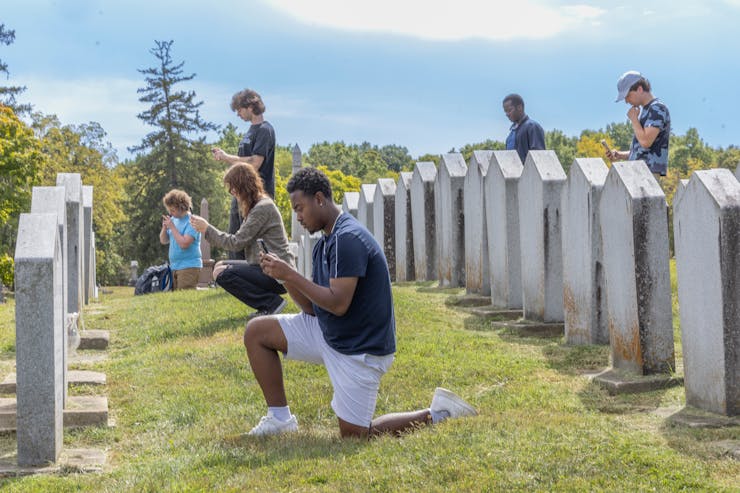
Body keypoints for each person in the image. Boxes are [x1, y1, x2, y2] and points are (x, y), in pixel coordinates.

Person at [243, 167, 477, 438]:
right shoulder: (325, 242)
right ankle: (280, 419)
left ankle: (439, 413)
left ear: (319, 199)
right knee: (257, 331)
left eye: (300, 208)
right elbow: (312, 309)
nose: (298, 217)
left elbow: (338, 303)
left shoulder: (348, 238)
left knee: (355, 434)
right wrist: (283, 279)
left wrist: (292, 274)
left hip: (359, 349)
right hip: (332, 333)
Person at [190, 163, 292, 318]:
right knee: (219, 266)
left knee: (221, 273)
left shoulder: (262, 208)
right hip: (264, 266)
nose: (232, 193)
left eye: (233, 188)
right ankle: (268, 303)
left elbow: (236, 243)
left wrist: (207, 228)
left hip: (277, 272)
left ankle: (271, 303)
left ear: (243, 185)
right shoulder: (257, 205)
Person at [212, 89, 276, 260]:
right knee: (235, 237)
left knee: (251, 242)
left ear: (249, 106)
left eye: (239, 110)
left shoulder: (265, 130)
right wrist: (225, 157)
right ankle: (234, 277)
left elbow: (255, 163)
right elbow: (243, 160)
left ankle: (248, 279)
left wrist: (227, 158)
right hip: (240, 194)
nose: (238, 114)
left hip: (256, 196)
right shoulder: (250, 131)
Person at [606, 71, 670, 177]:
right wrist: (619, 155)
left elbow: (645, 142)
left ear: (639, 89)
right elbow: (642, 151)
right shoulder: (647, 110)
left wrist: (634, 119)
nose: (626, 101)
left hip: (648, 174)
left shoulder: (657, 108)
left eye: (627, 95)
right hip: (639, 173)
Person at [159, 189, 202, 290]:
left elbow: (184, 244)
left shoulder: (193, 222)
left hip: (189, 266)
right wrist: (164, 228)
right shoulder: (173, 220)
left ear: (181, 207)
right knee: (176, 301)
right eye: (169, 210)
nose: (170, 213)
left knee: (186, 299)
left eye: (172, 210)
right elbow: (164, 240)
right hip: (174, 267)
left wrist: (172, 227)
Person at [502, 93, 546, 163]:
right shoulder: (510, 135)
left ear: (520, 107)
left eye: (509, 110)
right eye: (505, 111)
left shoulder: (532, 127)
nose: (507, 114)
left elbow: (539, 157)